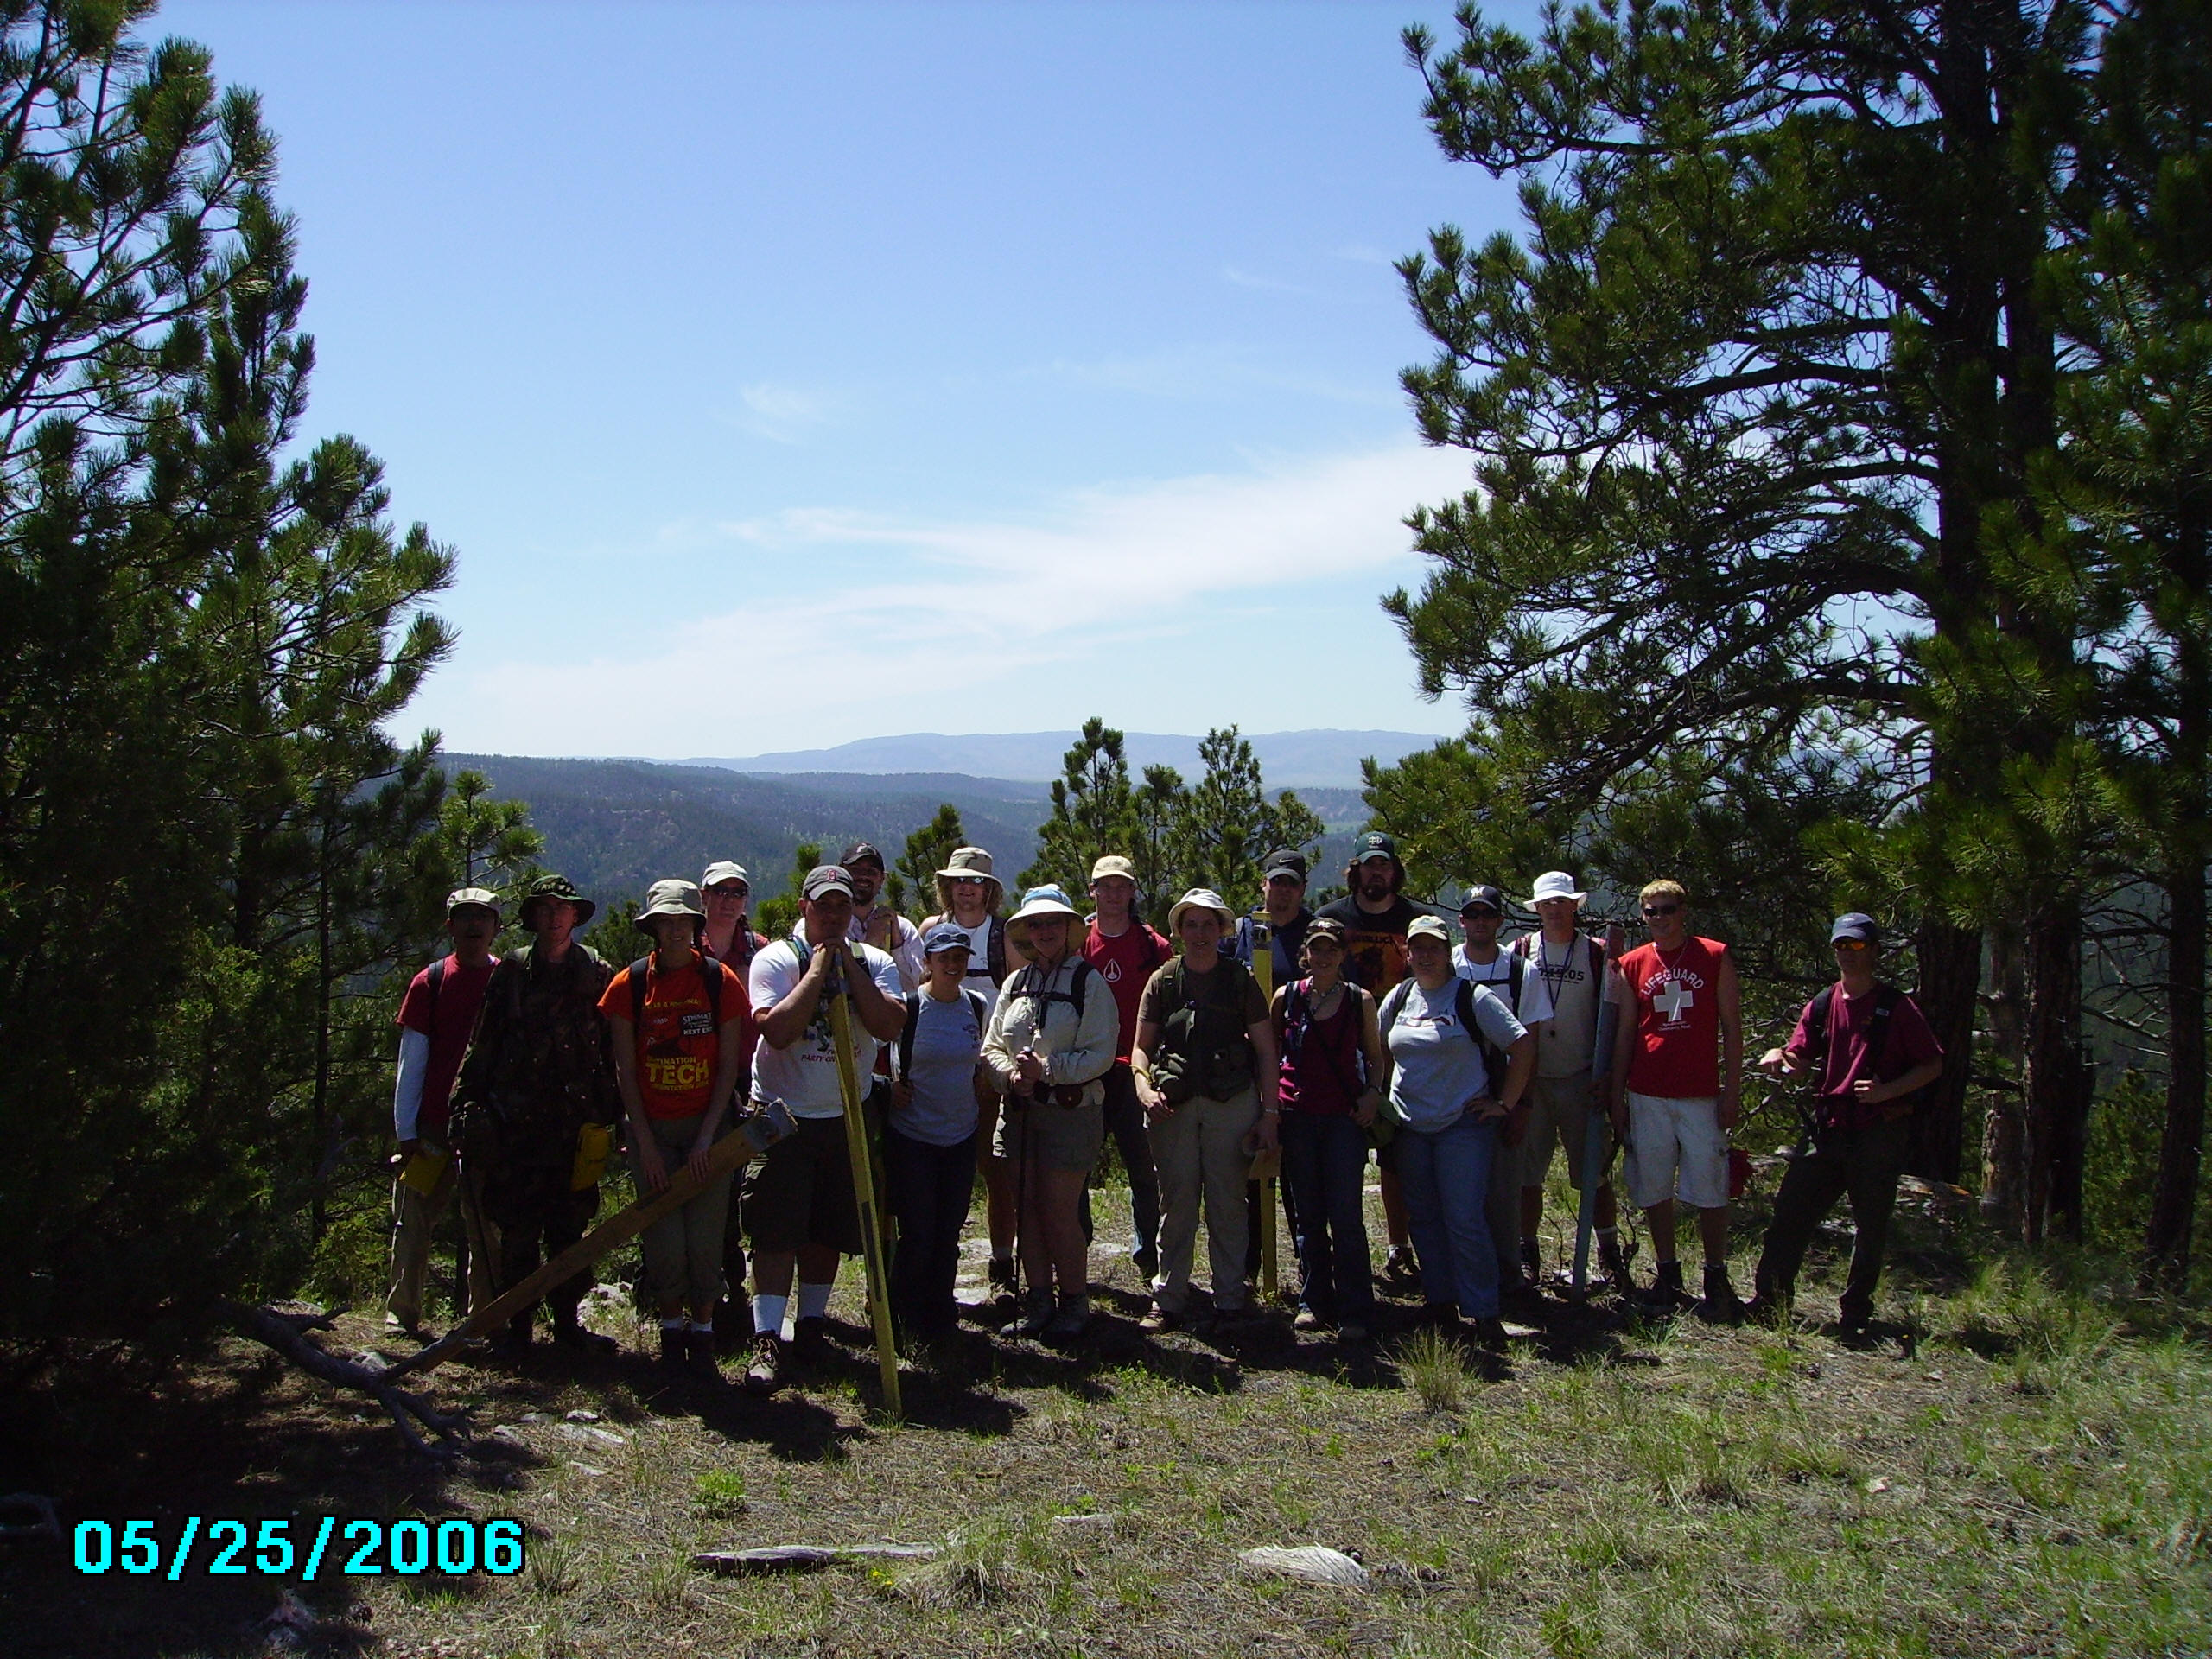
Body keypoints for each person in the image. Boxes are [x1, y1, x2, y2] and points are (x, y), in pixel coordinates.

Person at [741, 865, 906, 1394]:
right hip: (783, 1114)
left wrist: (848, 970)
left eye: (842, 904)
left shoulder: (873, 961)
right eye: (823, 905)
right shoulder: (774, 960)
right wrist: (816, 974)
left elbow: (888, 1024)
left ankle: (811, 1326)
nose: (833, 914)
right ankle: (767, 1336)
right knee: (774, 1231)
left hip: (845, 1114)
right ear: (803, 907)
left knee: (828, 1228)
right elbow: (780, 1031)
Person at [447, 874, 623, 1358]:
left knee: (570, 1232)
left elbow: (615, 1050)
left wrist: (623, 1115)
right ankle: (518, 1328)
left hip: (576, 1126)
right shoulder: (510, 973)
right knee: (517, 1232)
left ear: (575, 916)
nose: (553, 916)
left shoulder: (597, 972)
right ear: (534, 917)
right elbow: (482, 1043)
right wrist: (464, 1105)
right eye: (545, 908)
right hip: (518, 1129)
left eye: (561, 908)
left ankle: (568, 1323)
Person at [1750, 913, 1945, 1333]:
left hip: (1877, 1130)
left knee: (1870, 1225)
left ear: (1874, 951)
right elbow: (1799, 1060)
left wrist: (1886, 1092)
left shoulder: (1898, 1008)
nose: (1847, 954)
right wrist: (1779, 1058)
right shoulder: (1823, 1003)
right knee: (1789, 1214)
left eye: (1856, 946)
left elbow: (1932, 1064)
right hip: (1828, 1127)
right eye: (1841, 946)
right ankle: (1770, 1302)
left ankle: (1855, 1313)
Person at [601, 881, 753, 1378]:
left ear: (694, 926)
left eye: (683, 922)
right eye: (665, 922)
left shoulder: (718, 980)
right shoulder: (629, 985)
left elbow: (729, 1066)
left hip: (707, 1126)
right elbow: (625, 1070)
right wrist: (643, 1142)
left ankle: (704, 1331)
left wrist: (709, 1137)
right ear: (652, 927)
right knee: (663, 1238)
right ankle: (671, 1329)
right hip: (654, 1132)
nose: (674, 931)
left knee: (706, 1237)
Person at [1376, 915, 1535, 1349]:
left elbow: (1521, 1044)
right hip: (1410, 1126)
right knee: (1424, 1219)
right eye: (1417, 948)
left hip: (1462, 1125)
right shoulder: (1400, 996)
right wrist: (1381, 1104)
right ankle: (1440, 1303)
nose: (1425, 956)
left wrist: (1505, 1103)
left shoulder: (1472, 997)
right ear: (1407, 954)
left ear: (1449, 952)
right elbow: (1378, 1050)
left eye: (1434, 948)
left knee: (1464, 1217)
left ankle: (1483, 1312)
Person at [1130, 888, 1281, 1332]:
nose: (1200, 933)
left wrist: (1269, 1113)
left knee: (1228, 1201)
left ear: (1221, 930)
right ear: (1179, 931)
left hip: (1231, 1104)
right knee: (1175, 1202)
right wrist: (1142, 1087)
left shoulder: (1239, 981)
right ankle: (1169, 1295)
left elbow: (1267, 1052)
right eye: (1191, 924)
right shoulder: (1163, 980)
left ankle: (1230, 1296)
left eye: (1208, 925)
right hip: (1172, 1107)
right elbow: (1141, 1047)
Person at [983, 885, 1119, 1338]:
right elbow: (992, 1047)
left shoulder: (1088, 982)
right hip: (1019, 1111)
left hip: (1070, 1112)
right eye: (1035, 924)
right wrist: (1010, 1077)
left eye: (1053, 923)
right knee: (1026, 1209)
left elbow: (1102, 1053)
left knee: (1059, 1210)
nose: (1044, 931)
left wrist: (1049, 1071)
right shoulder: (1015, 983)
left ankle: (1074, 1305)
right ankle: (1038, 1302)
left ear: (1068, 928)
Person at [1608, 879, 1745, 1313]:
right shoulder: (1633, 964)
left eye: (1667, 909)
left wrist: (1732, 1091)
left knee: (1710, 1186)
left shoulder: (1714, 956)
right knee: (1654, 1184)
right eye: (1651, 912)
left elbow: (1732, 1027)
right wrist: (1616, 1094)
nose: (1660, 919)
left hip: (1700, 1092)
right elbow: (1626, 1031)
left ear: (1683, 911)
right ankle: (1668, 1272)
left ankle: (1716, 1275)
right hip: (1648, 1091)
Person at [384, 887, 504, 1336]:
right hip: (433, 1125)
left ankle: (485, 1318)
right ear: (450, 925)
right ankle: (402, 1313)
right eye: (465, 918)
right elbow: (410, 1062)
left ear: (496, 927)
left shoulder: (506, 981)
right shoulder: (430, 982)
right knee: (413, 1220)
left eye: (483, 918)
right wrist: (407, 1133)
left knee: (487, 1227)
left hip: (486, 1128)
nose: (474, 927)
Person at [1316, 830, 1431, 1288]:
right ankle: (1331, 1254)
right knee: (1337, 1159)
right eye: (1369, 865)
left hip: (1404, 1053)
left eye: (1384, 865)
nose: (1376, 872)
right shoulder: (1331, 919)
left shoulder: (1417, 922)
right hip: (1340, 1056)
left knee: (1398, 1157)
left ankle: (1401, 1246)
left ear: (1394, 871)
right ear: (1357, 870)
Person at [1509, 871, 1631, 1293]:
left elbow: (1616, 1019)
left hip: (1582, 1079)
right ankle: (1527, 1253)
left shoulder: (1598, 955)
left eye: (1562, 902)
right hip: (1534, 1081)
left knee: (1593, 1174)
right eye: (1547, 904)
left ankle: (1609, 1253)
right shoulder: (1520, 952)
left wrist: (1611, 1076)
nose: (1555, 910)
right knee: (1528, 1174)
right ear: (1537, 909)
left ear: (1575, 905)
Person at [1270, 916, 1385, 1339]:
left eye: (1331, 950)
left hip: (1343, 1120)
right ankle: (1313, 1300)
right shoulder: (1287, 998)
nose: (1322, 957)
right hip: (1297, 1117)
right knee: (1307, 1214)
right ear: (1305, 954)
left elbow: (1375, 1057)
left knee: (1346, 1214)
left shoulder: (1360, 1001)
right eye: (1316, 949)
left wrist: (1373, 1093)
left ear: (1343, 955)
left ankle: (1356, 1305)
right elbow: (1274, 1053)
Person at [918, 845, 1023, 1302]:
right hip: (936, 1066)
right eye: (959, 880)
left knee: (994, 1166)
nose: (966, 889)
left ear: (990, 890)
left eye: (976, 881)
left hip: (989, 1064)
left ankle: (1002, 1259)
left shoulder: (1006, 936)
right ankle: (936, 1257)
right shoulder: (930, 931)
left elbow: (1018, 1001)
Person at [884, 924, 995, 1342]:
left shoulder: (977, 1006)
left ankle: (940, 1312)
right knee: (919, 1232)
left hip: (960, 1135)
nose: (952, 965)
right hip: (913, 1136)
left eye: (960, 958)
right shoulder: (909, 1008)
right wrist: (888, 1089)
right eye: (943, 957)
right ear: (927, 962)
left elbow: (979, 1063)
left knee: (948, 1231)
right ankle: (904, 1316)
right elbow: (879, 1056)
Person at [1452, 885, 1549, 1308]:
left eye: (1486, 915)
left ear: (1499, 921)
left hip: (1503, 1095)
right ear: (1461, 921)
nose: (1479, 922)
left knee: (1503, 1192)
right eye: (1472, 915)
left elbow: (1534, 1040)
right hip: (1454, 1095)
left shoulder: (1520, 972)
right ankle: (1460, 1276)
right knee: (1458, 1193)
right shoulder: (1446, 963)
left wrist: (1520, 1105)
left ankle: (1508, 1277)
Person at [1227, 848, 1317, 1288]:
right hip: (1247, 1070)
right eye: (1275, 882)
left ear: (1302, 889)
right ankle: (1246, 1270)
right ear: (1263, 884)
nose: (1282, 891)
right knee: (1248, 1173)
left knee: (1299, 1176)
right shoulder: (1244, 931)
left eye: (1291, 884)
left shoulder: (1315, 935)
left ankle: (1308, 1270)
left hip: (1299, 1072)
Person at [1080, 854, 1172, 1282]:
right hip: (1089, 1069)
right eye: (1106, 886)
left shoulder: (1153, 946)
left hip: (1137, 1069)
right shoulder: (1079, 944)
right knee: (1077, 1164)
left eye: (1122, 886)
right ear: (1093, 891)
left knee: (1143, 1165)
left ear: (1132, 891)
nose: (1114, 894)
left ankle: (1148, 1251)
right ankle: (1075, 1246)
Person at [702, 858, 768, 1347]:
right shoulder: (681, 945)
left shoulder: (761, 951)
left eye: (737, 892)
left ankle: (732, 1294)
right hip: (694, 1081)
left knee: (742, 1196)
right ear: (703, 897)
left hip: (749, 1083)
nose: (728, 899)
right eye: (719, 891)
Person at [842, 840, 925, 992]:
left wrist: (897, 946)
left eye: (871, 872)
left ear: (882, 879)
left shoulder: (904, 929)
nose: (863, 877)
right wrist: (870, 945)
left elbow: (916, 988)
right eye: (855, 870)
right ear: (842, 873)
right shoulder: (826, 926)